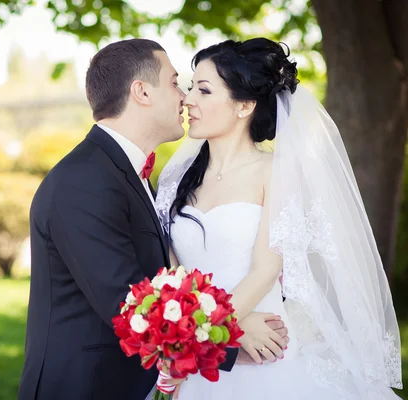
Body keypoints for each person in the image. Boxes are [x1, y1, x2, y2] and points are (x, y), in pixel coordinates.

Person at [18, 38, 288, 400]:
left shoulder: (133, 173)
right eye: (177, 82)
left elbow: (162, 280)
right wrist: (233, 339)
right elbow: (128, 305)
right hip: (87, 387)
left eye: (197, 88)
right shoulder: (84, 181)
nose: (185, 97)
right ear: (142, 92)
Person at [156, 37, 402, 399]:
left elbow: (265, 270)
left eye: (204, 91)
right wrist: (194, 341)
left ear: (244, 106)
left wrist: (201, 334)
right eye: (191, 87)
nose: (188, 100)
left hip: (263, 349)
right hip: (208, 353)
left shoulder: (276, 172)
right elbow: (172, 268)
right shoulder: (178, 177)